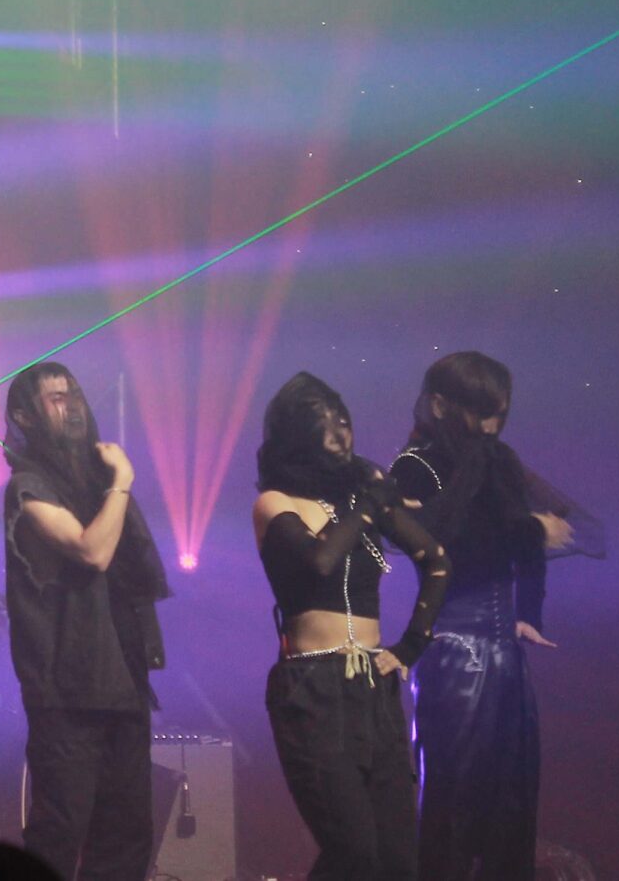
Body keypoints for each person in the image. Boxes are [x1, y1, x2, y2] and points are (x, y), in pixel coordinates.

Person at [392, 354, 589, 881]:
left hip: (504, 651)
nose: (490, 427)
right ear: (440, 405)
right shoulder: (417, 466)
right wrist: (531, 532)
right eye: (481, 413)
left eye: (499, 414)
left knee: (511, 803)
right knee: (453, 798)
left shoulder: (501, 461)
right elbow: (440, 544)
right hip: (455, 648)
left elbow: (536, 537)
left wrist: (529, 612)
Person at [252, 372, 449, 881]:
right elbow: (320, 561)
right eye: (323, 427)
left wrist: (412, 644)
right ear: (297, 437)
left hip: (374, 686)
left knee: (398, 860)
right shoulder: (275, 502)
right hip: (313, 688)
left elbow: (436, 560)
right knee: (355, 852)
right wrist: (366, 505)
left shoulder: (362, 502)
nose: (340, 436)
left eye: (343, 421)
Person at [1, 363, 170, 881]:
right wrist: (122, 483)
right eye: (55, 397)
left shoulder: (95, 482)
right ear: (25, 416)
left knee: (127, 836)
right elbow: (91, 550)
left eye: (73, 393)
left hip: (122, 684)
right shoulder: (28, 487)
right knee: (59, 834)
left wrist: (111, 485)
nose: (71, 404)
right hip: (67, 693)